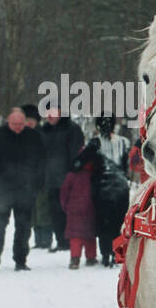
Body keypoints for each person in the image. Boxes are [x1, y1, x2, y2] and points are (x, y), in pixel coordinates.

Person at [0, 108, 45, 271]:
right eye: (14, 124)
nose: (17, 127)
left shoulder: (34, 137)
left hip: (26, 190)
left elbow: (41, 161)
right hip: (1, 189)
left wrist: (37, 183)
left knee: (23, 227)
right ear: (8, 122)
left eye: (21, 124)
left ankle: (20, 260)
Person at [75, 138, 130, 267]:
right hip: (119, 187)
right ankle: (116, 254)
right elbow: (125, 165)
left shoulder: (96, 144)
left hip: (103, 188)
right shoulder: (122, 142)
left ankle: (107, 254)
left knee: (105, 224)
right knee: (116, 223)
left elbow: (77, 164)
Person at [39, 106, 85, 251]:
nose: (50, 116)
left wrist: (73, 173)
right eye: (47, 113)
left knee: (70, 212)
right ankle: (61, 242)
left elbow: (76, 155)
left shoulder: (72, 129)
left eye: (53, 112)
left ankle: (73, 243)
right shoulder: (44, 130)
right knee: (54, 211)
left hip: (69, 179)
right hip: (50, 179)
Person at [19, 104, 54, 249]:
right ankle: (38, 240)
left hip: (43, 178)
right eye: (27, 119)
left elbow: (48, 156)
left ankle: (46, 240)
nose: (30, 122)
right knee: (32, 211)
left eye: (32, 119)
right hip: (26, 179)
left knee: (43, 209)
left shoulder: (42, 134)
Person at [58, 151, 97, 268]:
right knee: (90, 234)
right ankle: (91, 257)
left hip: (74, 209)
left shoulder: (71, 175)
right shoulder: (94, 175)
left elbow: (64, 192)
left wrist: (65, 206)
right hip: (91, 209)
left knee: (75, 235)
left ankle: (75, 259)